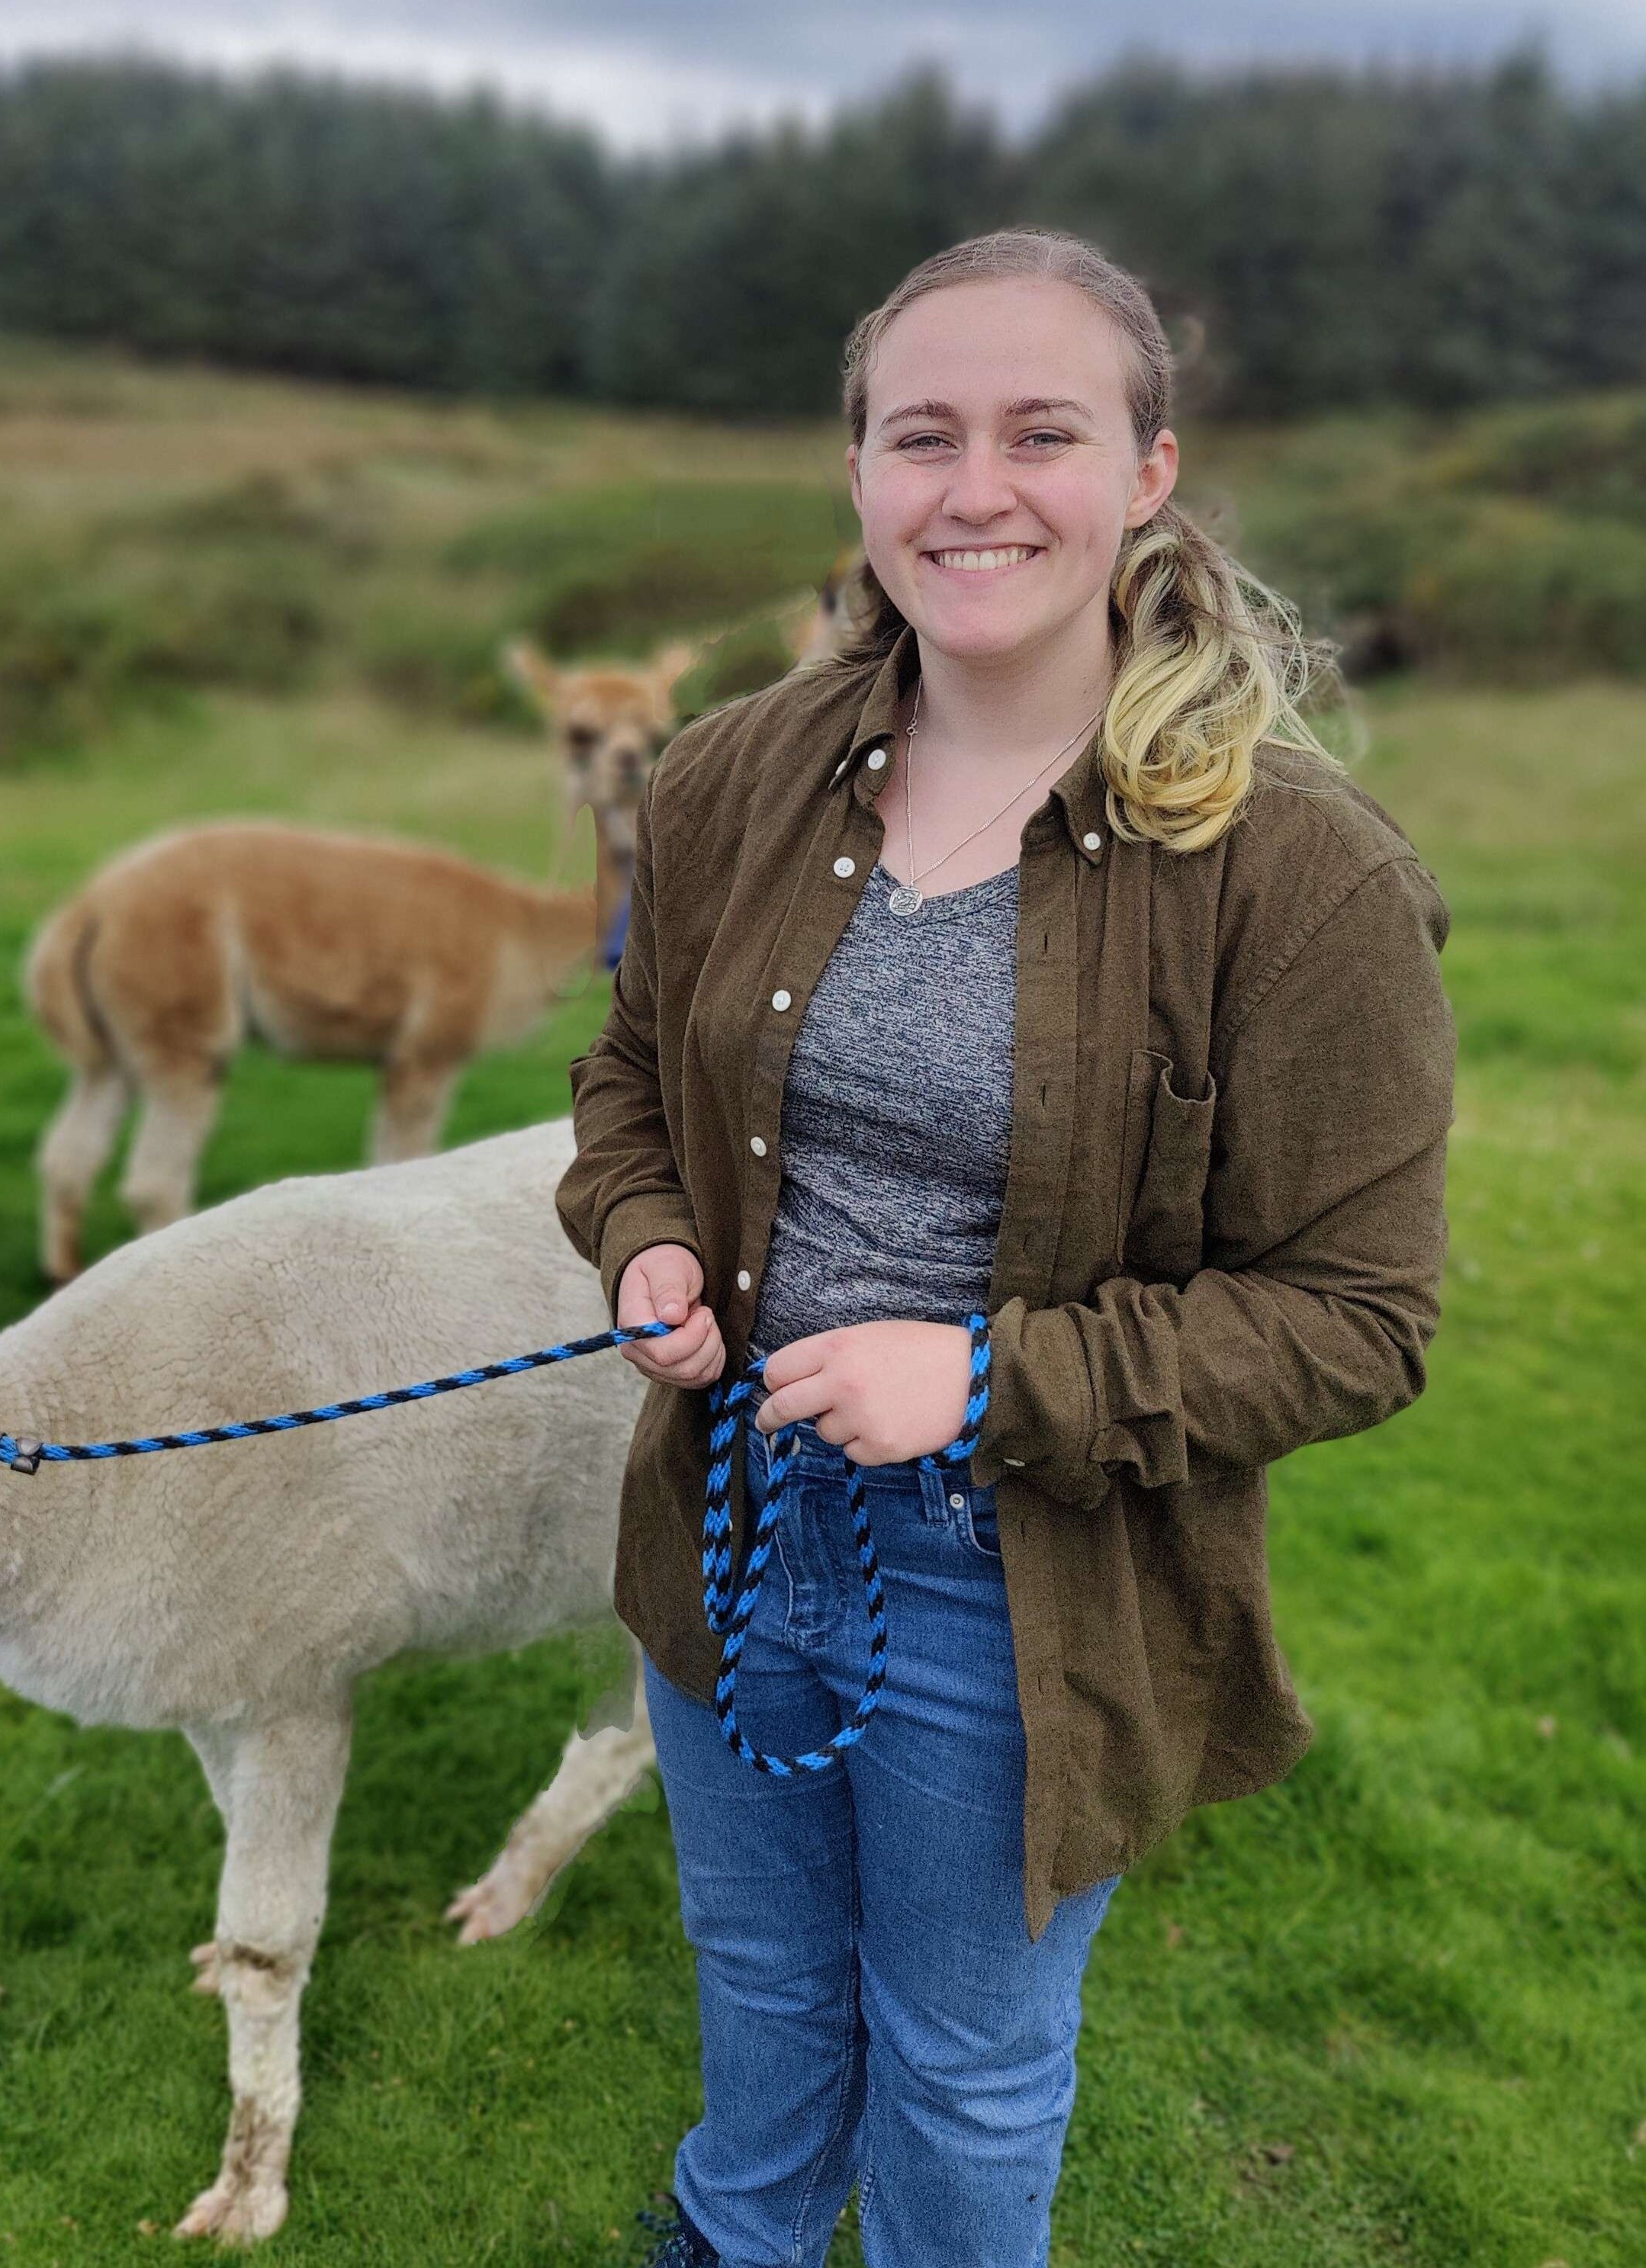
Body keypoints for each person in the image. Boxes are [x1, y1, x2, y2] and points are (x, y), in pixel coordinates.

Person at [555, 227, 1455, 2268]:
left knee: (959, 2064)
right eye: (920, 436)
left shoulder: (1297, 874)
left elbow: (1360, 1321)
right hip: (727, 1531)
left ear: (1146, 469)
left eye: (1042, 432)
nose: (975, 491)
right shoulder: (724, 781)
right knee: (763, 1993)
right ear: (858, 474)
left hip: (1019, 1600)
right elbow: (623, 1082)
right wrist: (647, 1250)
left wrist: (977, 1379)